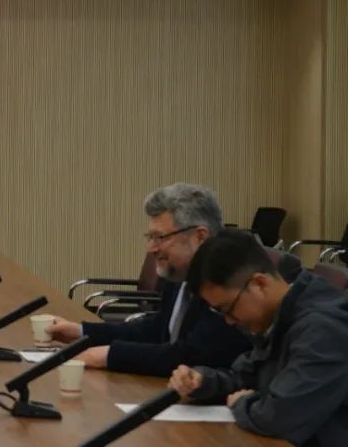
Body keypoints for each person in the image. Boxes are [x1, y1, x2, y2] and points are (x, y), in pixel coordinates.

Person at [46, 183, 252, 376]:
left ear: (200, 236)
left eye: (160, 238)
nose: (151, 248)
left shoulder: (228, 282)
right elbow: (157, 329)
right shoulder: (179, 275)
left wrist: (109, 355)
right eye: (150, 237)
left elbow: (195, 355)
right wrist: (82, 332)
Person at [169, 229, 348, 446]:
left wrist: (243, 402)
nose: (229, 321)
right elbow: (246, 376)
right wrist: (203, 381)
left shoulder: (323, 328)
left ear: (259, 284)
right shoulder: (284, 314)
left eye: (227, 309)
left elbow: (281, 417)